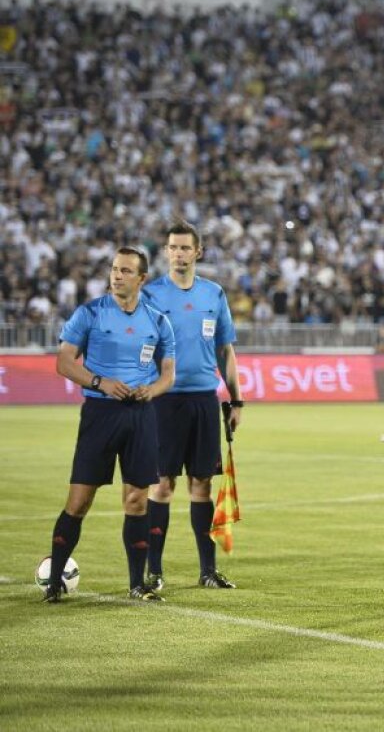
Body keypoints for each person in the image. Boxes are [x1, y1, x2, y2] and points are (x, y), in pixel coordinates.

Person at [43, 247, 176, 603]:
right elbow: (64, 362)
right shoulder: (89, 313)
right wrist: (100, 382)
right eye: (115, 269)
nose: (117, 276)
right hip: (101, 414)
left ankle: (137, 584)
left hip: (141, 415)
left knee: (136, 500)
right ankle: (54, 582)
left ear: (141, 278)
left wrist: (153, 390)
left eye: (126, 271)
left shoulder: (158, 321)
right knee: (79, 501)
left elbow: (168, 375)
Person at [141, 221, 243, 591]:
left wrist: (236, 398)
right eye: (173, 247)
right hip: (163, 401)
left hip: (204, 399)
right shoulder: (150, 295)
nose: (179, 254)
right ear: (166, 251)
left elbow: (225, 350)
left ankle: (208, 571)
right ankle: (153, 571)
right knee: (162, 484)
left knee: (201, 485)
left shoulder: (213, 294)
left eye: (186, 248)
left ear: (198, 252)